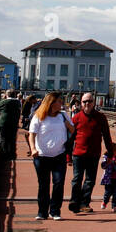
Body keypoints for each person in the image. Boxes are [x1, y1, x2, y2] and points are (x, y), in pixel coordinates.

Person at [27, 92, 71, 220]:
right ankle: (42, 212)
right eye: (58, 101)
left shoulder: (63, 116)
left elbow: (73, 130)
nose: (61, 103)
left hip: (59, 155)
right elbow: (32, 134)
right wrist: (33, 148)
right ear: (51, 103)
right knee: (43, 184)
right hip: (42, 156)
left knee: (58, 183)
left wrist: (68, 124)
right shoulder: (39, 116)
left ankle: (55, 211)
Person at [68, 93, 114, 214]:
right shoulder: (76, 118)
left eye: (89, 101)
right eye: (84, 102)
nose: (87, 103)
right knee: (77, 179)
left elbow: (107, 137)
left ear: (94, 102)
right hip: (78, 153)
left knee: (90, 180)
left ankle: (84, 203)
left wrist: (110, 154)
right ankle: (74, 201)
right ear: (80, 103)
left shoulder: (101, 117)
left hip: (93, 154)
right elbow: (70, 138)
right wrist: (68, 156)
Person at [0, 89, 21, 160]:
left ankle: (5, 155)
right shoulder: (18, 102)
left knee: (4, 139)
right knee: (12, 139)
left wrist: (3, 99)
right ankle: (12, 155)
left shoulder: (5, 101)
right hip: (14, 122)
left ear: (7, 94)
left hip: (4, 123)